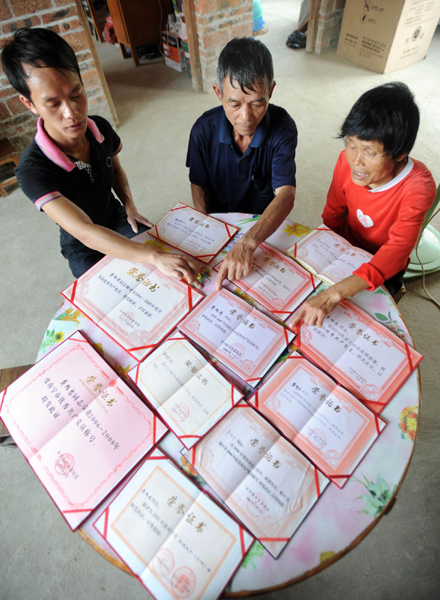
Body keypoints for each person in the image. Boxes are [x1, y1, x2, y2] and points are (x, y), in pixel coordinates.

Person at [1, 28, 201, 287]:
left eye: (76, 94)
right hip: (84, 247)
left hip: (117, 219)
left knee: (167, 279)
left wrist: (129, 205)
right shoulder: (32, 169)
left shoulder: (99, 128)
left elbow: (115, 170)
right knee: (118, 291)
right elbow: (85, 231)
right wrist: (153, 256)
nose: (72, 113)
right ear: (29, 104)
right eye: (53, 104)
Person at [290, 82, 436, 329]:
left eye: (369, 152)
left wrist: (337, 291)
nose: (356, 161)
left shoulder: (418, 187)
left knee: (355, 329)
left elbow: (397, 251)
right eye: (351, 144)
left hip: (383, 267)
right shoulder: (345, 161)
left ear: (400, 153)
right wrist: (325, 254)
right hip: (344, 248)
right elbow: (333, 213)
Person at [186, 37, 297, 289]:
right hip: (218, 223)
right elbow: (198, 184)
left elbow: (286, 195)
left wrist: (248, 242)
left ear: (271, 91)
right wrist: (205, 230)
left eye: (258, 103)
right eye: (234, 104)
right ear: (218, 93)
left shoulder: (283, 127)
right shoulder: (203, 129)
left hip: (261, 226)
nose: (246, 117)